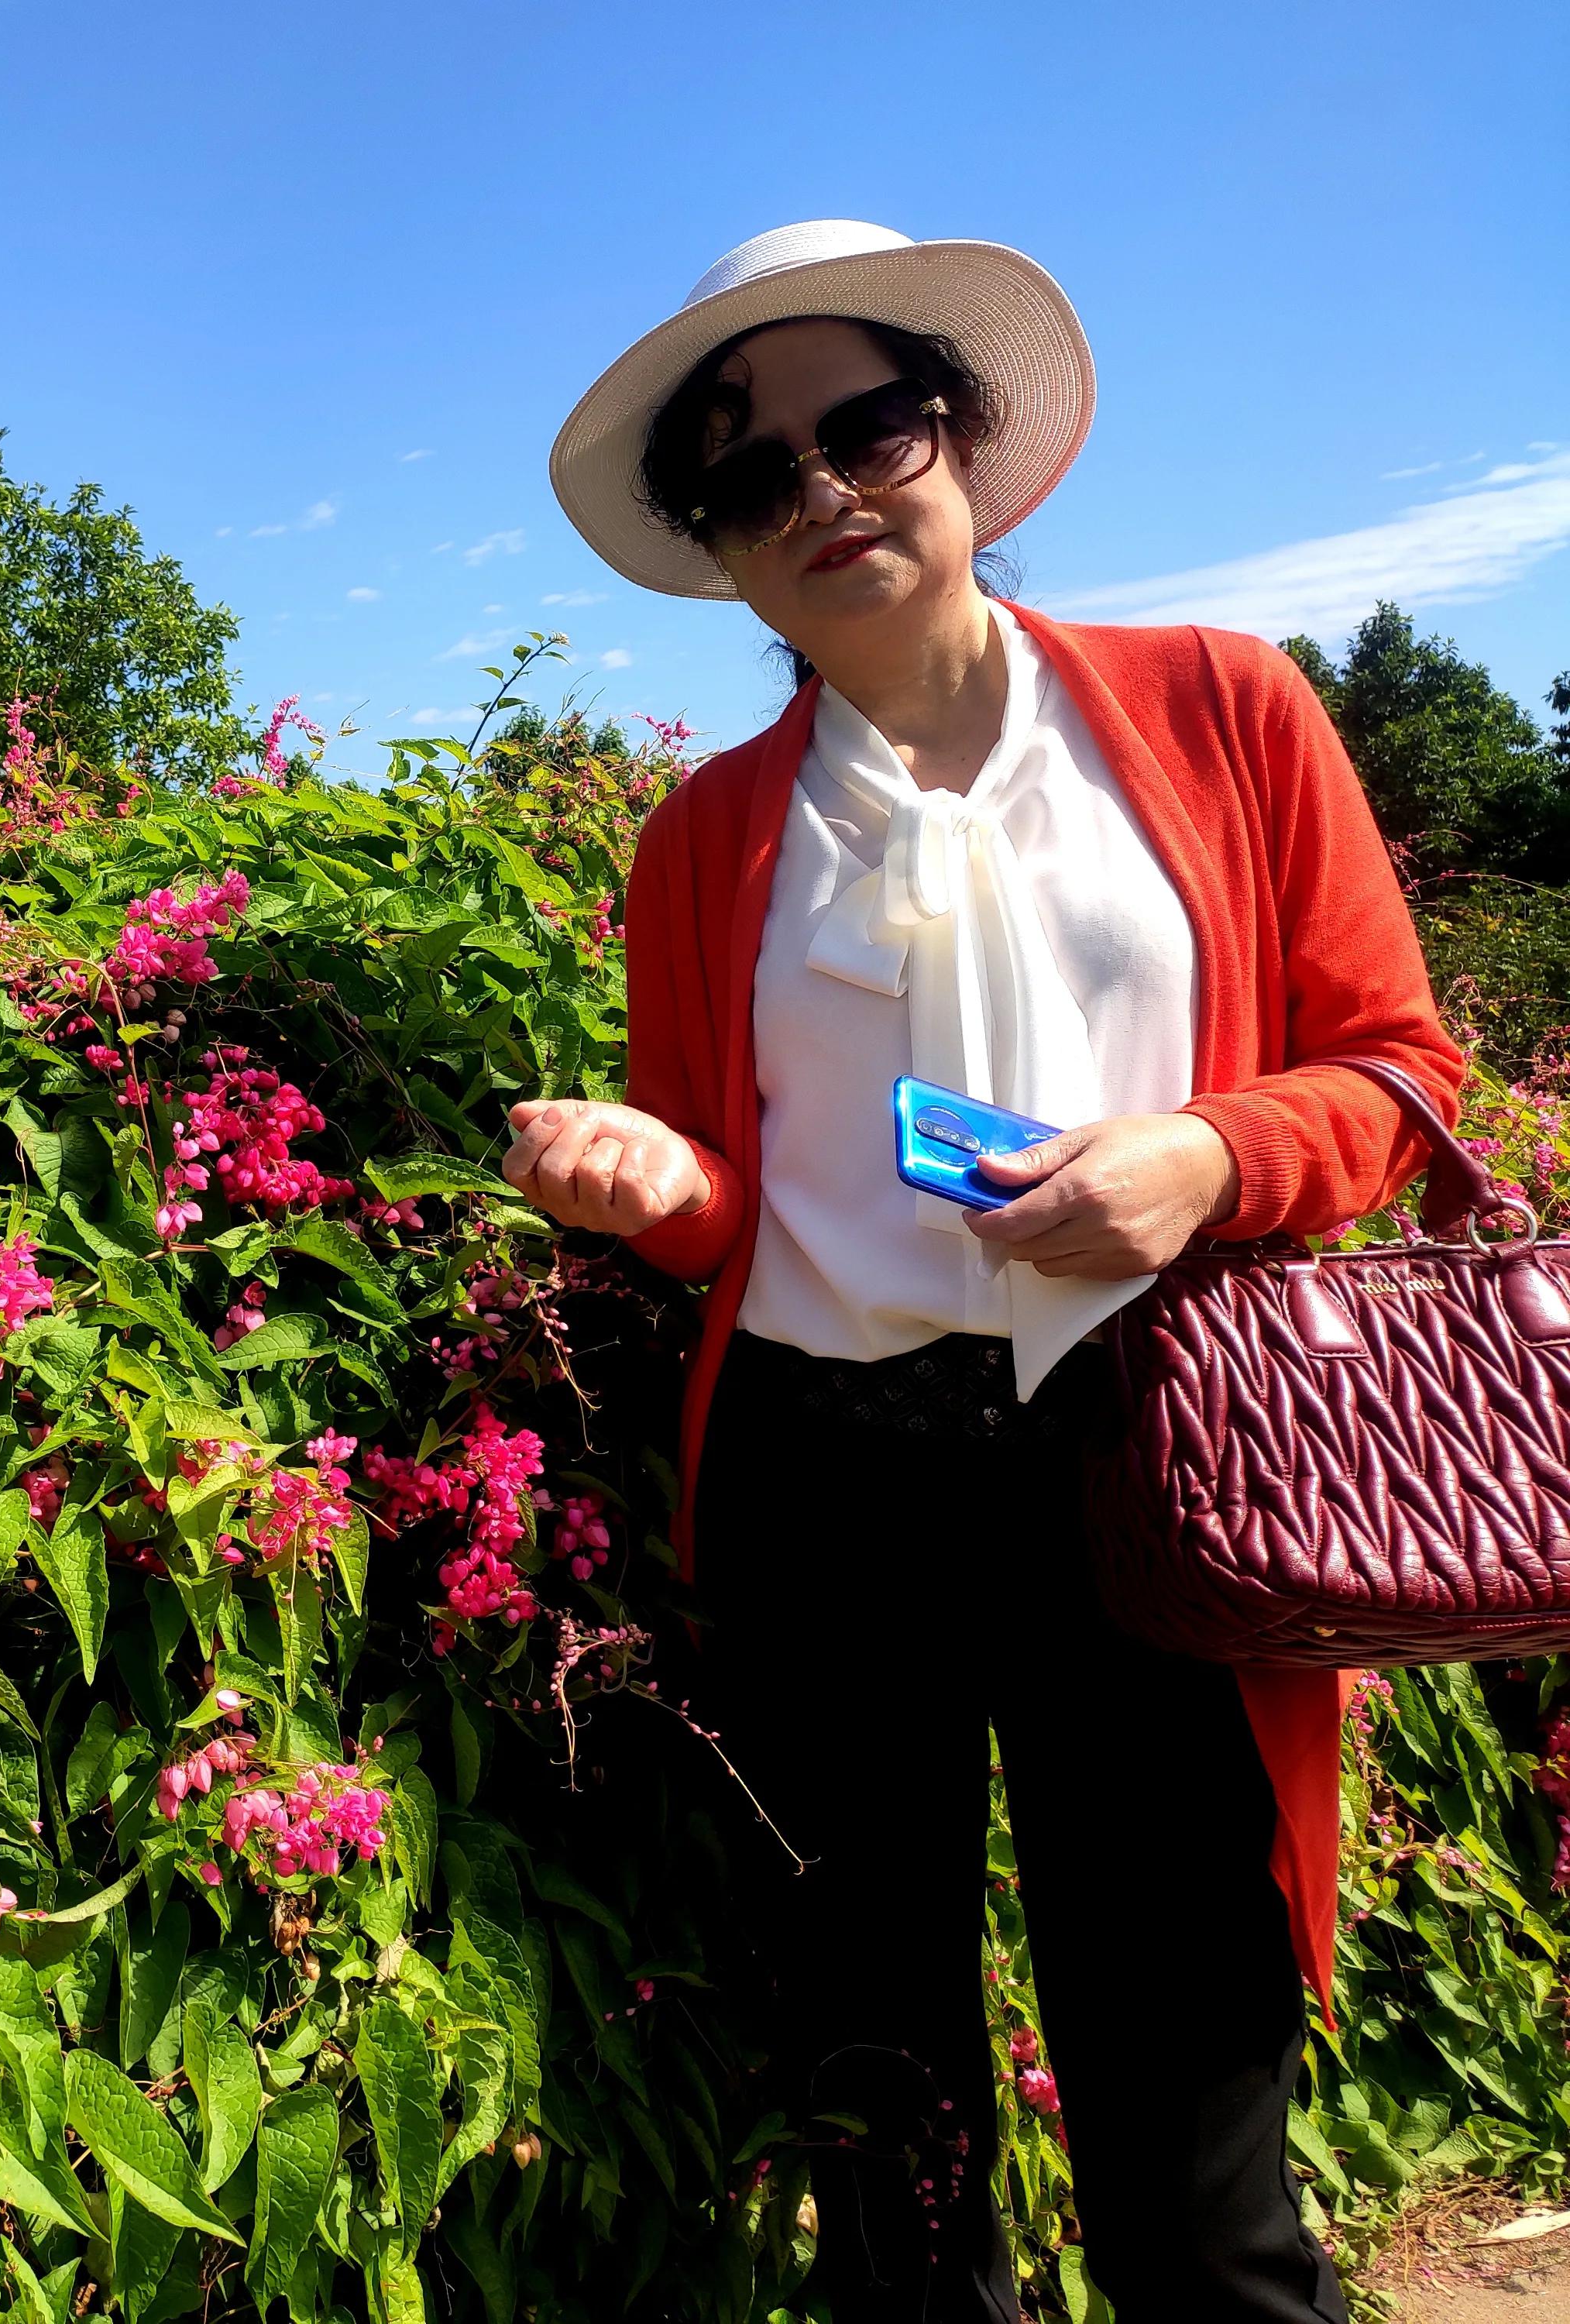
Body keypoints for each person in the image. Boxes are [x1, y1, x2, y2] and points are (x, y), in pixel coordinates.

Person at [508, 220, 1463, 2319]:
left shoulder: (1221, 708)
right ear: (719, 548)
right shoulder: (706, 839)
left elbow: (1400, 1078)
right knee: (891, 2135)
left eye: (869, 422)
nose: (825, 487)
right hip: (823, 1486)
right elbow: (724, 1204)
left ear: (966, 440)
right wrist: (637, 1176)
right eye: (752, 472)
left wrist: (1208, 1157)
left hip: (1163, 1462)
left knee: (1197, 2146)